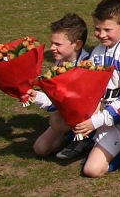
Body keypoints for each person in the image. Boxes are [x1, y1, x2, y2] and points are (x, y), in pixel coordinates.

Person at [73, 0, 120, 176]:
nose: (101, 34)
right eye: (97, 29)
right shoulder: (98, 50)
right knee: (58, 122)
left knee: (92, 170)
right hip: (102, 112)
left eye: (108, 29)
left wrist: (96, 121)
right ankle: (88, 139)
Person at [27, 13, 93, 159]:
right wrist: (35, 96)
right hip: (68, 116)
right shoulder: (60, 62)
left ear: (78, 44)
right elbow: (56, 99)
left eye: (58, 44)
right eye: (52, 43)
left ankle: (86, 139)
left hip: (89, 119)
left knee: (56, 120)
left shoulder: (88, 66)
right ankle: (71, 136)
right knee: (41, 148)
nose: (52, 48)